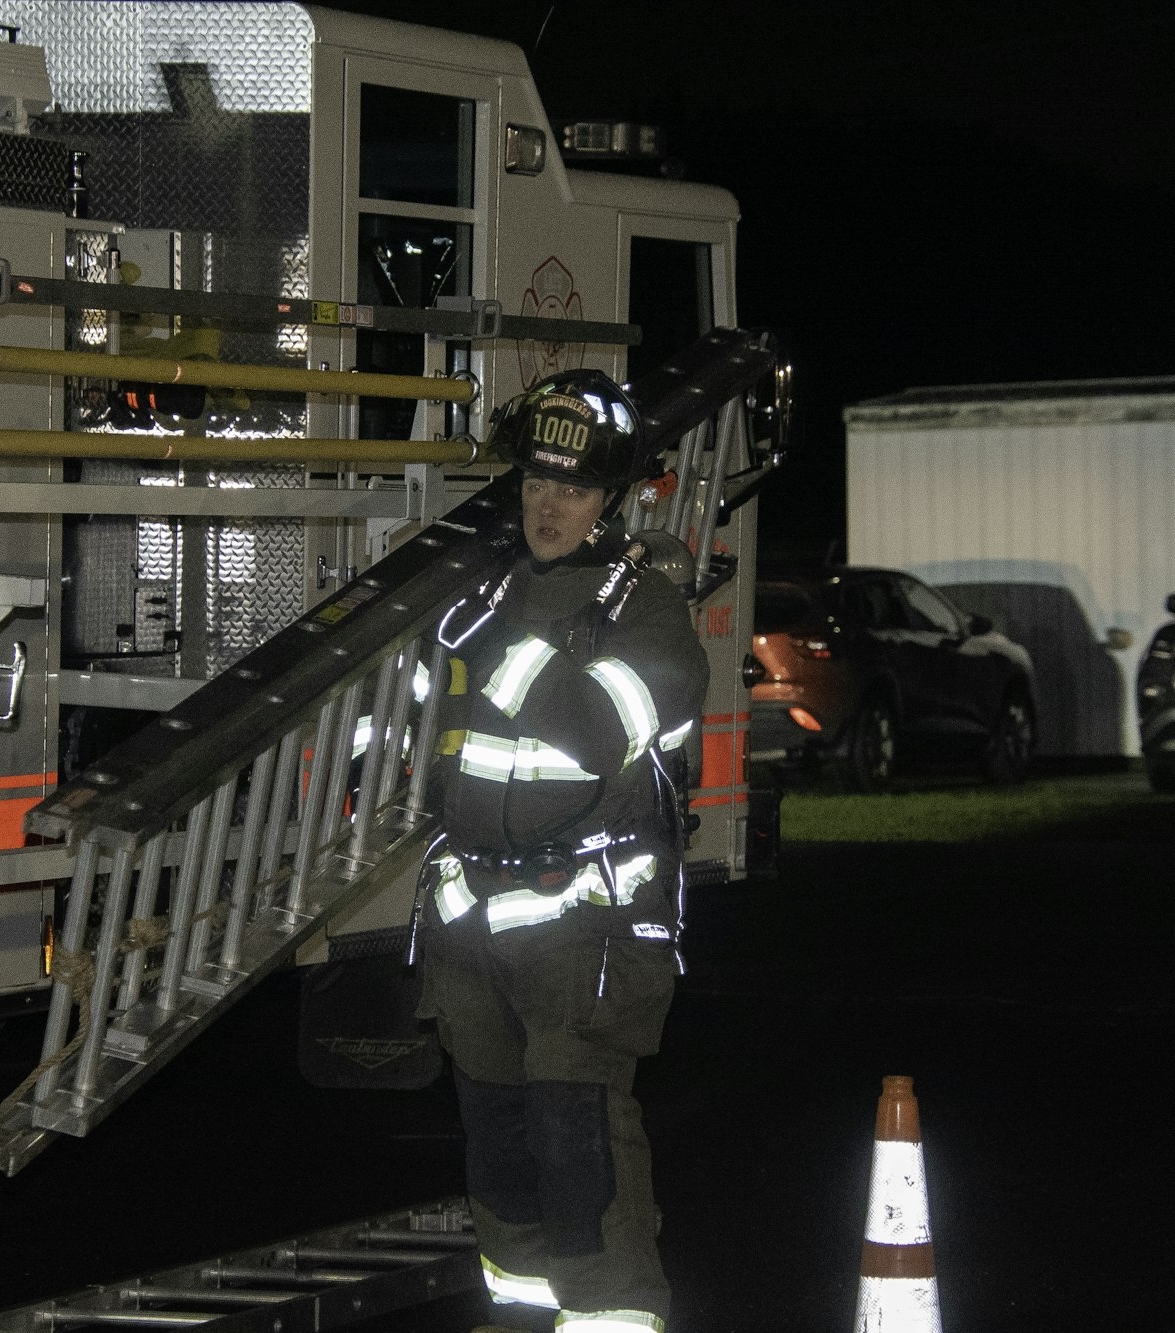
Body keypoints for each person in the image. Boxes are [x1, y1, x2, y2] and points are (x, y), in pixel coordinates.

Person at [415, 368, 708, 1332]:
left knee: (577, 1131)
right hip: (473, 919)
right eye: (537, 481)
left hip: (587, 926)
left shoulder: (650, 613)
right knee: (497, 1137)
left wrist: (494, 641)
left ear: (615, 499)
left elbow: (589, 729)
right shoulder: (488, 587)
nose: (548, 504)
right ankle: (522, 1306)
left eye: (573, 489)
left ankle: (616, 1312)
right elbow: (448, 742)